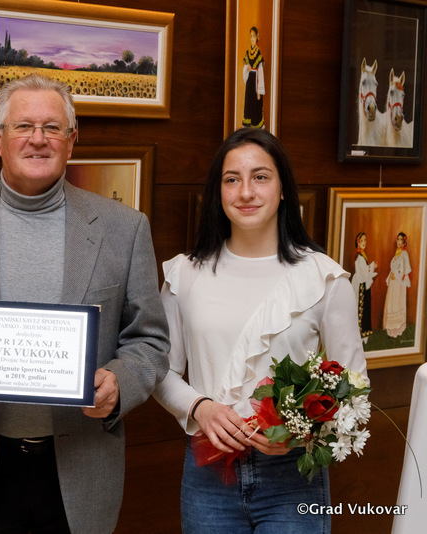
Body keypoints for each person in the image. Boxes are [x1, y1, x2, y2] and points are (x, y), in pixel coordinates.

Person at [0, 74, 169, 534]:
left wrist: (119, 384)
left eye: (52, 128)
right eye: (24, 126)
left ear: (72, 140)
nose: (38, 139)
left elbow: (150, 341)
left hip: (81, 470)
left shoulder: (124, 228)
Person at [153, 128, 368, 533]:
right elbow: (159, 370)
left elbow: (354, 388)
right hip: (208, 472)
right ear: (218, 192)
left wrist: (300, 435)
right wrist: (200, 408)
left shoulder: (324, 278)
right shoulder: (185, 274)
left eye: (261, 177)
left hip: (294, 476)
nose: (246, 192)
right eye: (232, 179)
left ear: (283, 188)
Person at [383, 231, 411, 338]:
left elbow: (406, 270)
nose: (399, 242)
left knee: (397, 303)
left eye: (401, 240)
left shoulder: (404, 254)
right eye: (398, 239)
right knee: (391, 304)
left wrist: (397, 275)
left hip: (399, 284)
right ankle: (391, 328)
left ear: (404, 242)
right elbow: (393, 268)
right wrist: (391, 275)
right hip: (393, 283)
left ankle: (398, 327)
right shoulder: (397, 253)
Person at [352, 231, 377, 344]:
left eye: (365, 240)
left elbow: (365, 270)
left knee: (366, 307)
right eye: (362, 240)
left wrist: (371, 267)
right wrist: (372, 266)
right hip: (361, 284)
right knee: (361, 308)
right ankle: (360, 334)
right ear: (358, 242)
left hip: (364, 282)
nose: (364, 242)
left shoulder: (362, 255)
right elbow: (363, 272)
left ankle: (364, 334)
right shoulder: (359, 256)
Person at [242, 26, 266, 129]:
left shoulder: (258, 53)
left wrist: (259, 90)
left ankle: (256, 125)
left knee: (256, 102)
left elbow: (260, 71)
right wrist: (247, 68)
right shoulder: (248, 52)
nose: (252, 38)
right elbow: (246, 66)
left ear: (257, 37)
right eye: (251, 36)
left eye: (254, 36)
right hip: (250, 81)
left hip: (256, 80)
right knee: (248, 101)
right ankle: (248, 126)